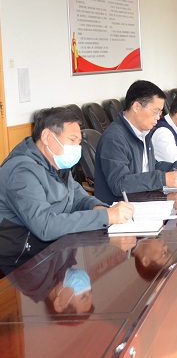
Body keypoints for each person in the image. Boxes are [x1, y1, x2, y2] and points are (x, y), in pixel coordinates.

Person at [0, 107, 134, 274]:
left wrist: (98, 208)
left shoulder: (56, 162)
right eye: (72, 140)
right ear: (47, 137)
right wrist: (105, 216)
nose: (77, 148)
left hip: (54, 252)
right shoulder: (21, 172)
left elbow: (78, 198)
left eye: (79, 142)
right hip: (23, 264)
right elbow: (45, 226)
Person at [94, 80, 177, 204]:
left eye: (160, 112)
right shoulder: (114, 139)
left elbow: (150, 167)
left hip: (144, 200)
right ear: (137, 107)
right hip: (121, 208)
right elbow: (120, 184)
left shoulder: (144, 132)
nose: (158, 117)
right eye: (155, 111)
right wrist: (162, 179)